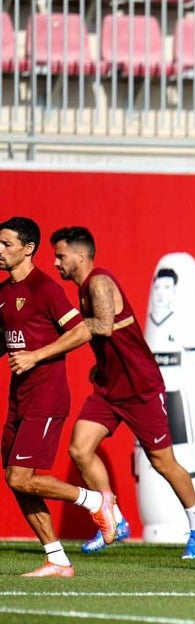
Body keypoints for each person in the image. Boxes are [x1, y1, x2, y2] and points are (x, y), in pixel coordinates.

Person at [50, 226, 195, 560]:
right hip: (109, 389)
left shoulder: (98, 282)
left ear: (80, 256)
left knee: (163, 462)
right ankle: (115, 520)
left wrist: (56, 340)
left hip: (140, 389)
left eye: (60, 255)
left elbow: (104, 325)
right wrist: (101, 365)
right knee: (80, 449)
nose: (56, 263)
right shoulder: (84, 288)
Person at [0, 217, 113, 577]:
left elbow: (81, 332)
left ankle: (95, 499)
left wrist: (36, 355)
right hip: (19, 397)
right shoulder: (3, 292)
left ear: (27, 249)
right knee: (15, 478)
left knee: (20, 476)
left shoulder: (44, 288)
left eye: (6, 244)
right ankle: (57, 559)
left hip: (46, 397)